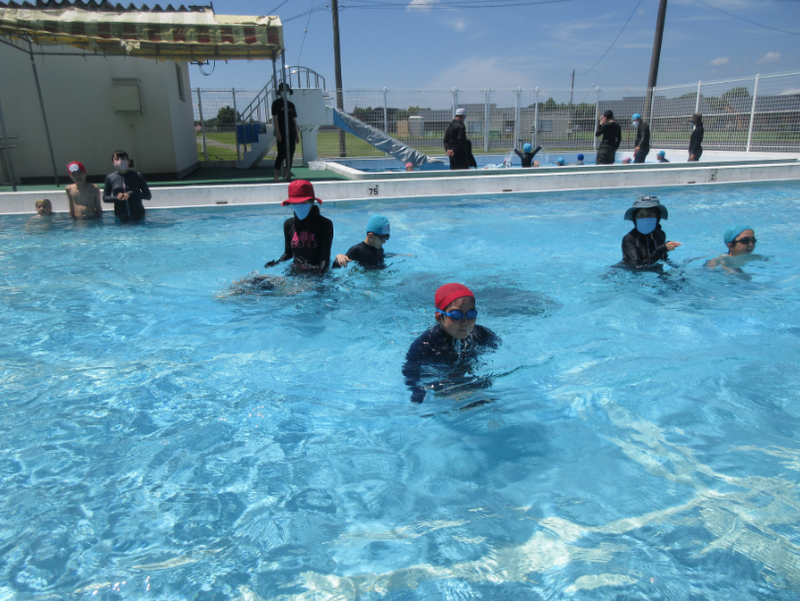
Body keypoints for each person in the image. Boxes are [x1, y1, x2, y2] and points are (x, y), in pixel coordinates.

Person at [402, 283, 500, 403]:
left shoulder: (482, 334)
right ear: (439, 318)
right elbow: (410, 369)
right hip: (438, 379)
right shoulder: (425, 344)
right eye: (456, 315)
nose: (465, 321)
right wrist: (417, 391)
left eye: (471, 314)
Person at [264, 179, 333, 273]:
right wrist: (276, 263)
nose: (299, 205)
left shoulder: (325, 224)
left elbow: (325, 258)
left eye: (303, 202)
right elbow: (288, 253)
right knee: (256, 280)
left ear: (311, 202)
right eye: (295, 203)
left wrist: (320, 276)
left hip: (316, 272)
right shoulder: (289, 224)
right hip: (295, 271)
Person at [620, 195, 681, 269]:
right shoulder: (629, 239)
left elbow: (663, 260)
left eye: (650, 215)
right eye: (641, 215)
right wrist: (662, 249)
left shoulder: (660, 235)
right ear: (634, 219)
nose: (646, 219)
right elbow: (638, 267)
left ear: (658, 218)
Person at [103, 150, 151, 221]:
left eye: (123, 159)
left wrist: (132, 193)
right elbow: (105, 198)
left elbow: (148, 196)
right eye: (117, 159)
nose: (120, 161)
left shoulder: (138, 176)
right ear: (112, 162)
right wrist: (117, 198)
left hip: (138, 215)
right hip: (121, 216)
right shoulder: (110, 178)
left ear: (128, 161)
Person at [272, 82, 299, 182]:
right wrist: (278, 132)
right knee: (281, 153)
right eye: (283, 90)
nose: (285, 92)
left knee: (290, 154)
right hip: (282, 132)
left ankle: (288, 175)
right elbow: (275, 119)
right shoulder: (276, 104)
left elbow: (294, 120)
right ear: (280, 92)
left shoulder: (291, 105)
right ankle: (276, 175)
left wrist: (296, 134)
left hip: (291, 132)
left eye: (287, 90)